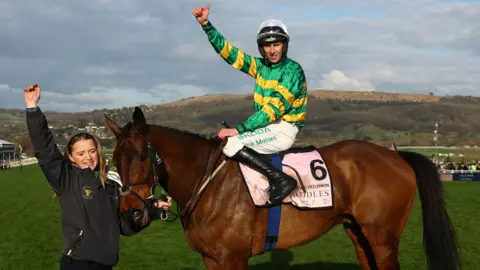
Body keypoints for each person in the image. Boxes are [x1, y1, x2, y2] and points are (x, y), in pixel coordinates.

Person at [23, 84, 172, 270]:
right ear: (70, 156)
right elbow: (46, 151)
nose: (88, 157)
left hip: (106, 265)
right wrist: (32, 108)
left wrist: (154, 208)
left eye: (92, 151)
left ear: (98, 152)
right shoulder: (66, 179)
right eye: (81, 153)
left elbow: (125, 226)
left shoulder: (111, 184)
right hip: (78, 263)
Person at [192, 4, 308, 205]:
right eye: (266, 45)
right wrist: (206, 25)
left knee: (232, 143)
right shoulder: (261, 66)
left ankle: (281, 180)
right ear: (261, 47)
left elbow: (272, 111)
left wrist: (239, 130)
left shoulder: (293, 72)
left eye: (276, 44)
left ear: (284, 45)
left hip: (283, 130)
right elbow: (231, 54)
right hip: (267, 128)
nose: (271, 50)